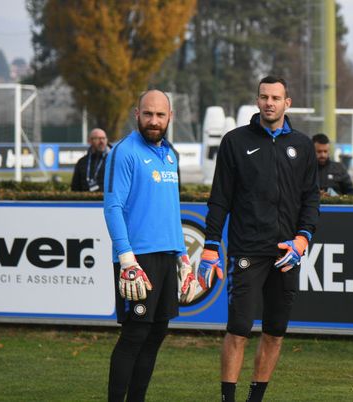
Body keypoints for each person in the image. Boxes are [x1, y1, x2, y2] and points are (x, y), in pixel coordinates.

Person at [201, 76, 320, 402]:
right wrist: (211, 245)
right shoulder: (235, 141)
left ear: (287, 103)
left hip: (286, 254)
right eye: (264, 97)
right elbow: (220, 198)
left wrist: (302, 240)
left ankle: (255, 399)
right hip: (247, 251)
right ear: (257, 101)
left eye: (276, 97)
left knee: (275, 333)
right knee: (238, 330)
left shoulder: (303, 145)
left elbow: (311, 199)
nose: (270, 102)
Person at [103, 89, 198, 402]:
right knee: (135, 335)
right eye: (148, 114)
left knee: (157, 334)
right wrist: (126, 259)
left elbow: (170, 207)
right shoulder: (124, 151)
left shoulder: (169, 153)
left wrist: (182, 254)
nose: (154, 121)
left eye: (160, 115)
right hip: (137, 260)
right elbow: (113, 206)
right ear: (137, 114)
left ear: (170, 117)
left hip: (166, 258)